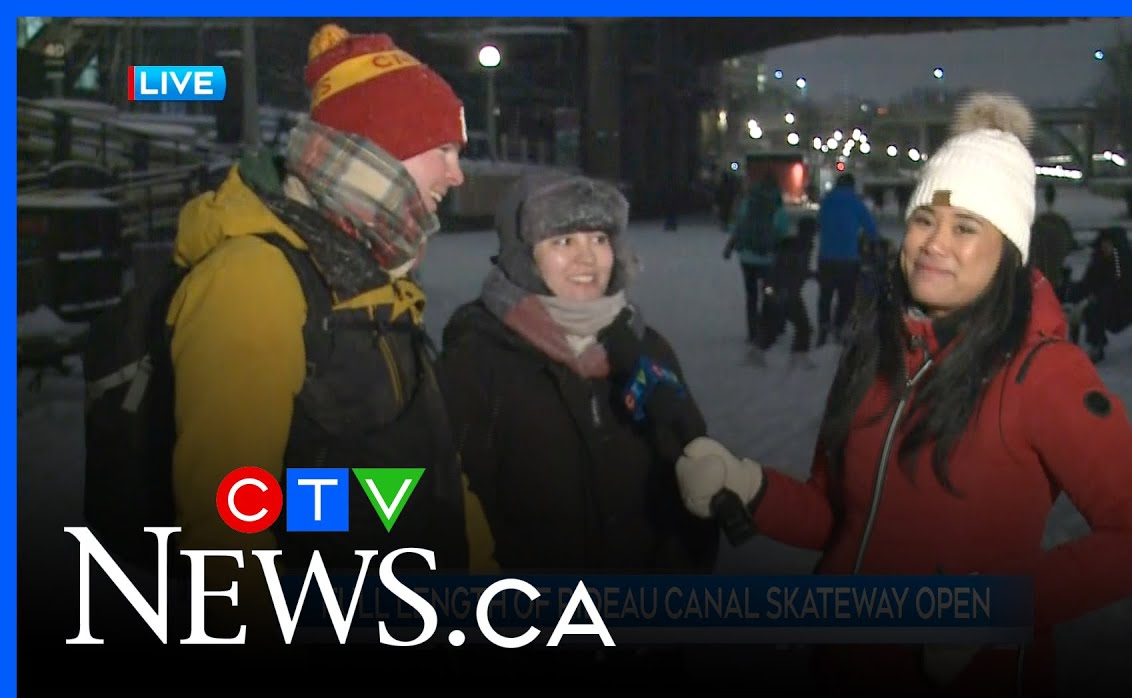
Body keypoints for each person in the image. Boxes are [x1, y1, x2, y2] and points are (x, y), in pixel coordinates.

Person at [671, 93, 1132, 698]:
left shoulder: (1044, 374)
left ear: (1009, 251)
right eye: (923, 220)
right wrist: (749, 484)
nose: (934, 243)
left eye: (966, 228)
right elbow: (840, 519)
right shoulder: (876, 349)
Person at [164, 23, 496, 635]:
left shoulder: (371, 274)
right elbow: (223, 527)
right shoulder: (254, 279)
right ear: (382, 148)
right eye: (444, 150)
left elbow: (429, 469)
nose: (457, 175)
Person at [437, 170, 719, 573]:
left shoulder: (646, 347)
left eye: (600, 240)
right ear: (524, 257)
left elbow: (693, 473)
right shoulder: (476, 361)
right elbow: (437, 507)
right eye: (564, 241)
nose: (587, 258)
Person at [1066, 226, 1132, 362]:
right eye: (1103, 243)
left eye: (1108, 244)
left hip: (1129, 305)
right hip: (1106, 305)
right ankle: (1096, 346)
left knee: (1096, 308)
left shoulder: (1124, 260)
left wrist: (1100, 295)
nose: (1105, 247)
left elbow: (1126, 286)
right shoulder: (1098, 260)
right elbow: (1088, 283)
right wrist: (1072, 294)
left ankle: (1096, 346)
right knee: (1092, 310)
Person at [724, 175, 790, 347]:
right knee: (769, 293)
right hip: (768, 258)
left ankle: (752, 331)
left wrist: (731, 247)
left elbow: (738, 226)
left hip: (747, 257)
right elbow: (783, 231)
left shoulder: (747, 203)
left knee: (751, 295)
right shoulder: (777, 207)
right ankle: (768, 328)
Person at [816, 173, 879, 346]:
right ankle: (838, 325)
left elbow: (819, 223)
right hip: (848, 258)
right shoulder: (856, 202)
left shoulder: (827, 201)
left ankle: (823, 325)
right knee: (846, 296)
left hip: (826, 256)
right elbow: (871, 228)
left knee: (825, 294)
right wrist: (872, 241)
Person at [752, 216, 817, 369]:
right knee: (802, 326)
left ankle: (757, 353)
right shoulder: (799, 248)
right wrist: (779, 292)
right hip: (783, 291)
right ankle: (798, 358)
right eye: (813, 231)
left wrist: (812, 275)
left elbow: (795, 271)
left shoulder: (798, 245)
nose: (814, 234)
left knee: (773, 327)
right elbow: (786, 272)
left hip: (780, 290)